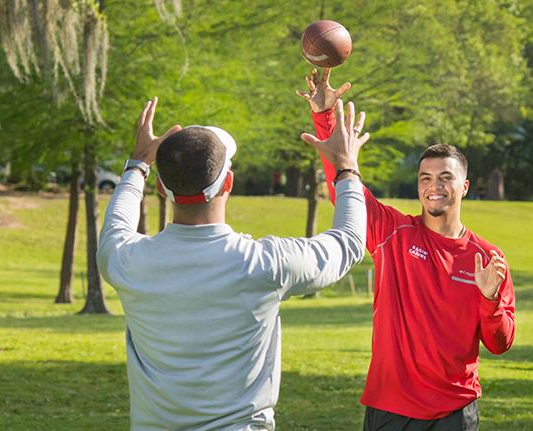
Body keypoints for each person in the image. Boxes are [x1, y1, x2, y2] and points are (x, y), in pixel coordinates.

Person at [97, 97, 368, 430]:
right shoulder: (265, 265)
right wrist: (346, 166)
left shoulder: (125, 261)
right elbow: (349, 242)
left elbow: (117, 222)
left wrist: (136, 164)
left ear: (160, 189)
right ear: (228, 183)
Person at [297, 68, 515, 430]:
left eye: (446, 178)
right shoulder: (393, 232)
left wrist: (489, 300)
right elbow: (345, 190)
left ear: (464, 186)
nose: (435, 187)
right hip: (390, 407)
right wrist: (324, 117)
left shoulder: (487, 258)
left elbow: (500, 343)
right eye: (426, 178)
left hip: (454, 412)